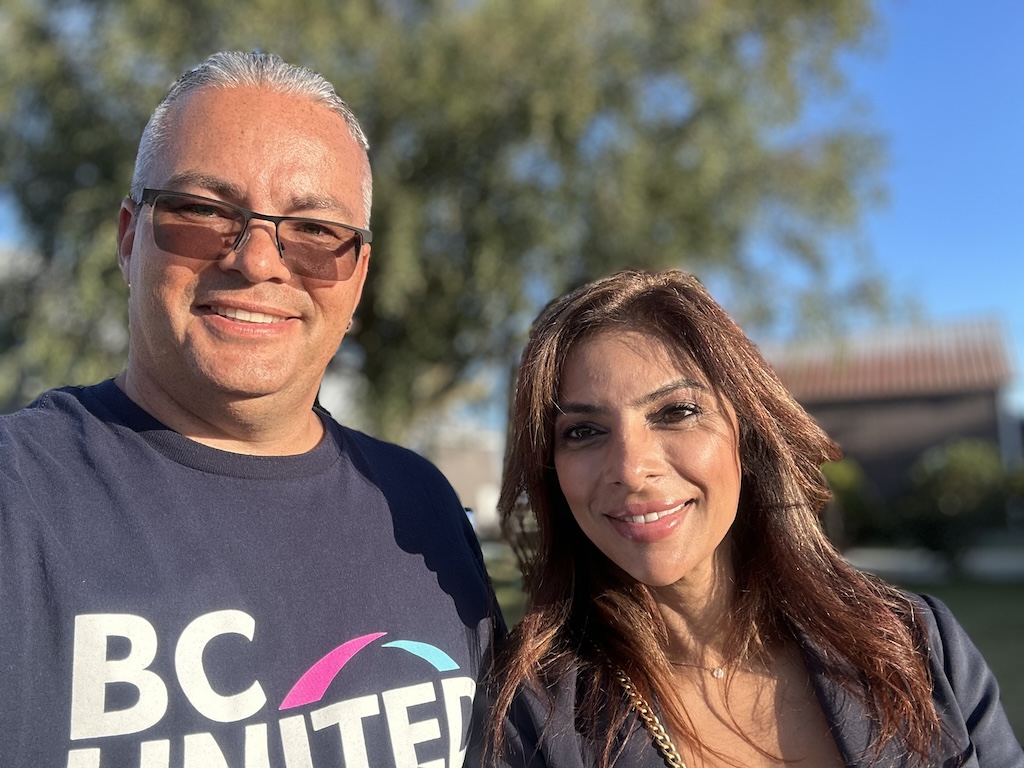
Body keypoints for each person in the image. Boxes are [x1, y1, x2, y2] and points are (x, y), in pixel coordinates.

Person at [0, 51, 500, 766]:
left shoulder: (422, 507)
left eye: (315, 231)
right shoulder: (20, 499)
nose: (258, 261)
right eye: (204, 212)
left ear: (358, 275)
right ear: (129, 237)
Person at [487, 270, 1023, 767]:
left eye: (676, 412)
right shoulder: (533, 720)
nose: (630, 469)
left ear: (745, 432)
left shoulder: (917, 645)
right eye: (583, 431)